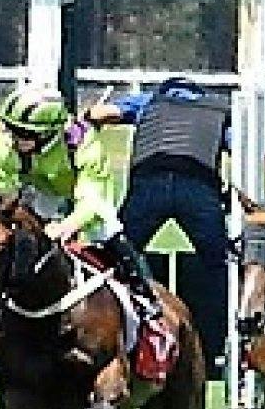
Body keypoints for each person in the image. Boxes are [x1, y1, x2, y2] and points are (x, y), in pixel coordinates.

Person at [0, 83, 159, 322]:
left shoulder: (84, 143)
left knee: (105, 230)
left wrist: (67, 226)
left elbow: (91, 199)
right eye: (10, 128)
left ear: (47, 134)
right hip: (39, 187)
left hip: (83, 187)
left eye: (22, 133)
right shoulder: (7, 147)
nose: (13, 138)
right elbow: (1, 190)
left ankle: (143, 296)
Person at [85, 76, 231, 350]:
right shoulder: (217, 110)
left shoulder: (149, 101)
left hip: (149, 183)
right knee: (219, 264)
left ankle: (112, 327)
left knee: (116, 257)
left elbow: (104, 113)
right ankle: (222, 339)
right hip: (197, 186)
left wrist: (90, 115)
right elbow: (239, 144)